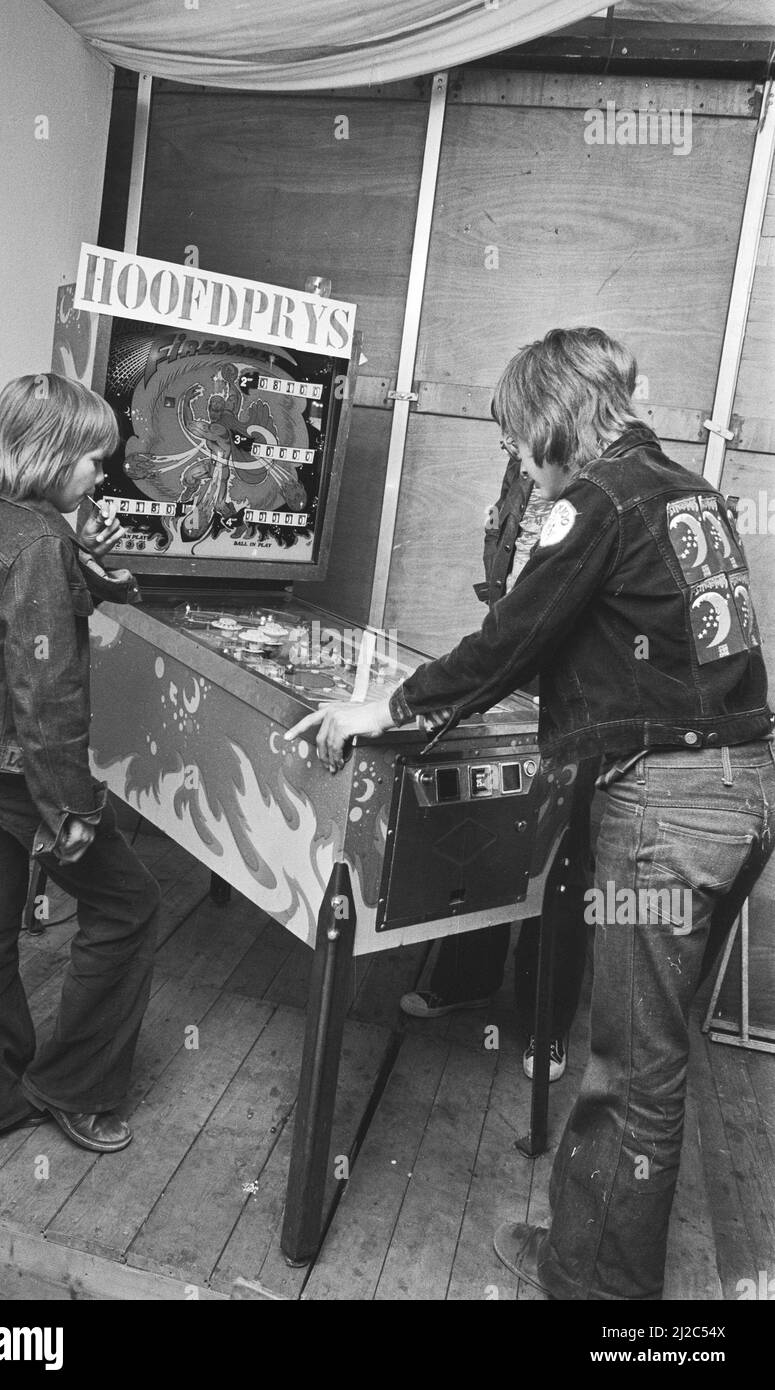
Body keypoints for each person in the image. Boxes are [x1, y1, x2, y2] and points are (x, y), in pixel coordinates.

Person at [287, 326, 775, 1300]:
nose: (517, 463)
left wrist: (380, 706)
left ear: (552, 421)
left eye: (516, 442)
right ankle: (576, 1259)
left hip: (671, 809)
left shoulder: (593, 500)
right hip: (732, 791)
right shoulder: (678, 489)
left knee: (635, 1071)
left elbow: (508, 639)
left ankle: (605, 1300)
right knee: (635, 1048)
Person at [0, 373, 161, 1156]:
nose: (102, 475)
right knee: (130, 906)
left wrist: (95, 561)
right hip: (14, 763)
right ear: (52, 455)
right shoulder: (38, 542)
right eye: (94, 460)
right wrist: (74, 808)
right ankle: (73, 1087)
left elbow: (37, 617)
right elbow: (47, 692)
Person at [400, 431, 598, 1083]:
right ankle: (465, 980)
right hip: (508, 680)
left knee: (558, 864)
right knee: (483, 832)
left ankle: (545, 1026)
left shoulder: (600, 493)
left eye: (515, 428)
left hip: (572, 704)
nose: (505, 441)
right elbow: (507, 581)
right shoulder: (520, 477)